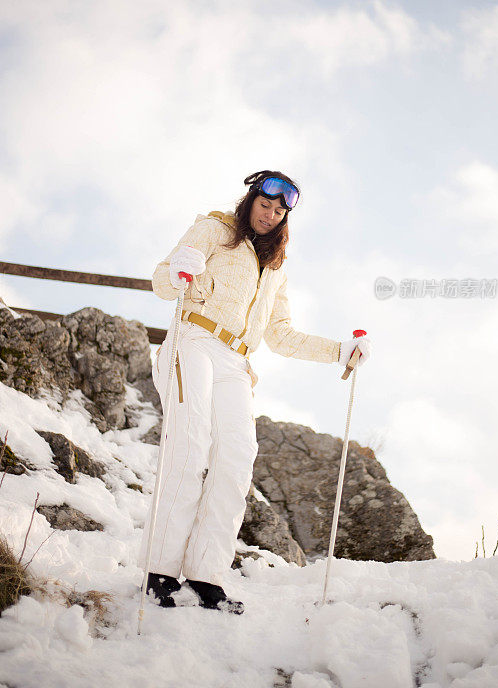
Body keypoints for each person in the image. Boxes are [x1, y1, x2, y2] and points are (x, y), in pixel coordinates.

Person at [137, 170, 371, 614]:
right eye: (266, 205)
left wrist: (341, 351)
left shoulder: (275, 269)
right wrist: (181, 268)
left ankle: (207, 575)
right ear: (250, 201)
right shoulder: (213, 229)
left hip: (236, 362)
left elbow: (280, 335)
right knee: (190, 445)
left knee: (237, 458)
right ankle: (159, 572)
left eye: (280, 211)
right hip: (194, 339)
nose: (270, 215)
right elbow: (162, 284)